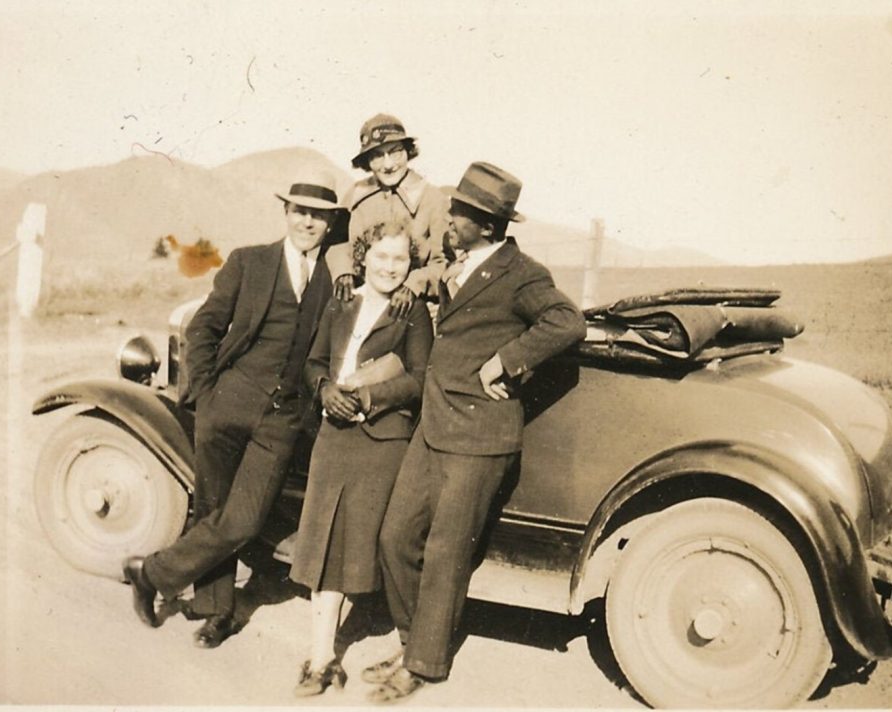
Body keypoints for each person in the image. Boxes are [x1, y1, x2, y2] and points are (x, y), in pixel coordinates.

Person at [365, 162, 587, 702]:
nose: (450, 218)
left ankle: (423, 663)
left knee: (444, 552)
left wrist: (507, 362)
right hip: (437, 424)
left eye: (459, 213)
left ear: (487, 225)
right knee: (395, 538)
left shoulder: (522, 272)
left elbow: (567, 321)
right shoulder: (458, 264)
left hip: (481, 436)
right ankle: (412, 638)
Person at [121, 171, 345, 649]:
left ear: (330, 224)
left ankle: (152, 573)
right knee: (213, 511)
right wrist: (203, 395)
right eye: (300, 211)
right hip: (226, 405)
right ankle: (216, 612)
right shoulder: (250, 262)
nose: (307, 222)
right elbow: (203, 328)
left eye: (318, 216)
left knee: (242, 520)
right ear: (286, 213)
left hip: (283, 419)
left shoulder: (334, 278)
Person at [287, 218, 434, 696]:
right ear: (363, 257)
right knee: (324, 545)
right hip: (333, 438)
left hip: (381, 443)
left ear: (410, 265)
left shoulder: (413, 313)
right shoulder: (341, 301)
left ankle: (410, 649)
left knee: (372, 546)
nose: (390, 267)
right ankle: (321, 657)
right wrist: (326, 389)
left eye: (400, 259)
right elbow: (312, 362)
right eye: (382, 256)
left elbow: (418, 378)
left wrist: (370, 400)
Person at [328, 113, 451, 316]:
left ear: (408, 152)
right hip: (360, 303)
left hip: (412, 308)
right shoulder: (355, 195)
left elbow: (443, 262)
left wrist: (414, 284)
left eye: (395, 153)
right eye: (377, 156)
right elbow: (337, 242)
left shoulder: (433, 199)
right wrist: (343, 270)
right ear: (367, 161)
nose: (387, 165)